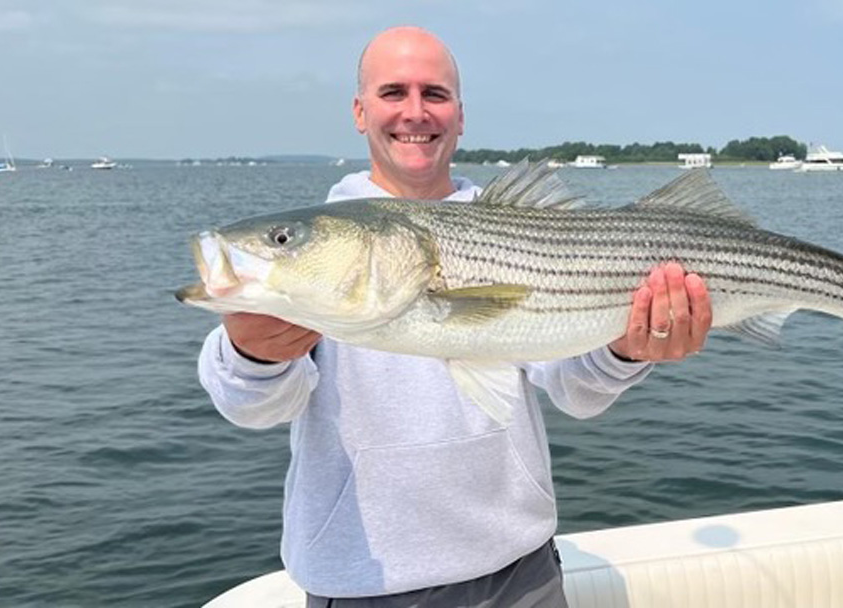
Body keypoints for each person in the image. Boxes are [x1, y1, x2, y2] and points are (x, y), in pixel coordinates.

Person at [197, 26, 712, 607]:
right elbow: (255, 408)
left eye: (434, 94)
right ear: (359, 111)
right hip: (364, 586)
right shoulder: (327, 251)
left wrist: (628, 350)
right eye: (393, 93)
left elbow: (577, 393)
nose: (415, 112)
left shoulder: (517, 230)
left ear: (460, 116)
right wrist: (253, 354)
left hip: (524, 574)